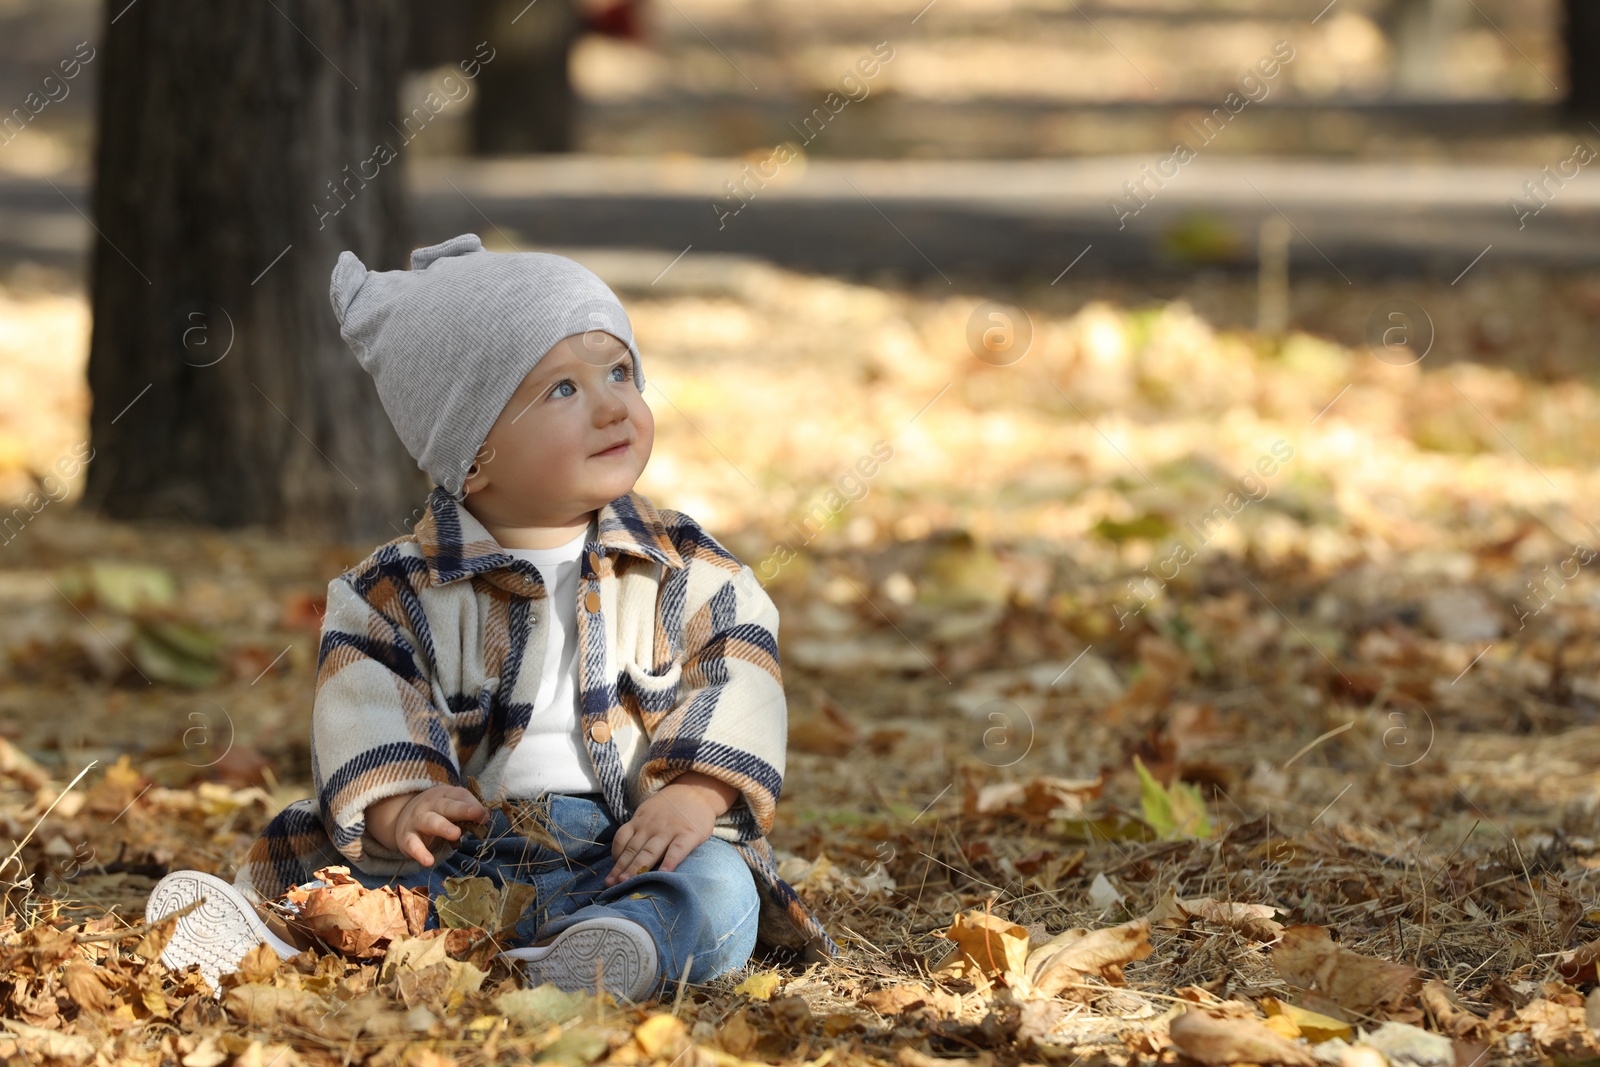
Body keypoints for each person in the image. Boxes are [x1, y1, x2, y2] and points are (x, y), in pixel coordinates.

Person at [144, 233, 838, 1002]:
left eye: (619, 372)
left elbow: (738, 664)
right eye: (563, 390)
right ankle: (272, 934)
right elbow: (366, 699)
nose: (613, 404)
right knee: (357, 871)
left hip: (626, 842)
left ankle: (623, 944)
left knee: (719, 885)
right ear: (472, 452)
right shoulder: (395, 589)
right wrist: (402, 803)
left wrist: (696, 793)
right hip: (465, 842)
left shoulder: (681, 565)